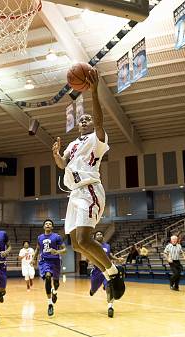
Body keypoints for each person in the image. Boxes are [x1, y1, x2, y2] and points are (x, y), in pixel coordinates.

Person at [52, 68, 125, 300]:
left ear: (93, 124)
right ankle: (106, 271)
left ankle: (113, 273)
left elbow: (100, 119)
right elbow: (63, 165)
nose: (84, 120)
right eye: (82, 119)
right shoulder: (72, 144)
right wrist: (56, 156)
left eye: (88, 119)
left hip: (89, 190)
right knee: (75, 244)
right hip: (74, 194)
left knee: (84, 239)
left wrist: (94, 92)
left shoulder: (98, 139)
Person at [31, 219, 66, 316]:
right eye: (46, 224)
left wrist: (57, 252)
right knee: (47, 277)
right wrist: (33, 258)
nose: (48, 225)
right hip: (44, 261)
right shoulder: (40, 237)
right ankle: (50, 304)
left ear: (52, 227)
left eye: (50, 224)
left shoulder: (57, 237)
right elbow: (38, 248)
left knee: (56, 283)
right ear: (43, 227)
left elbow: (65, 249)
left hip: (55, 261)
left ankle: (54, 292)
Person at [89, 231, 124, 318]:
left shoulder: (107, 246)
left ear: (103, 237)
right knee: (93, 290)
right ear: (95, 237)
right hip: (97, 271)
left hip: (107, 270)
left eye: (101, 234)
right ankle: (93, 290)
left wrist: (117, 259)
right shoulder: (92, 246)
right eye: (97, 234)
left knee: (110, 287)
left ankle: (110, 307)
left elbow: (110, 256)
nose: (99, 235)